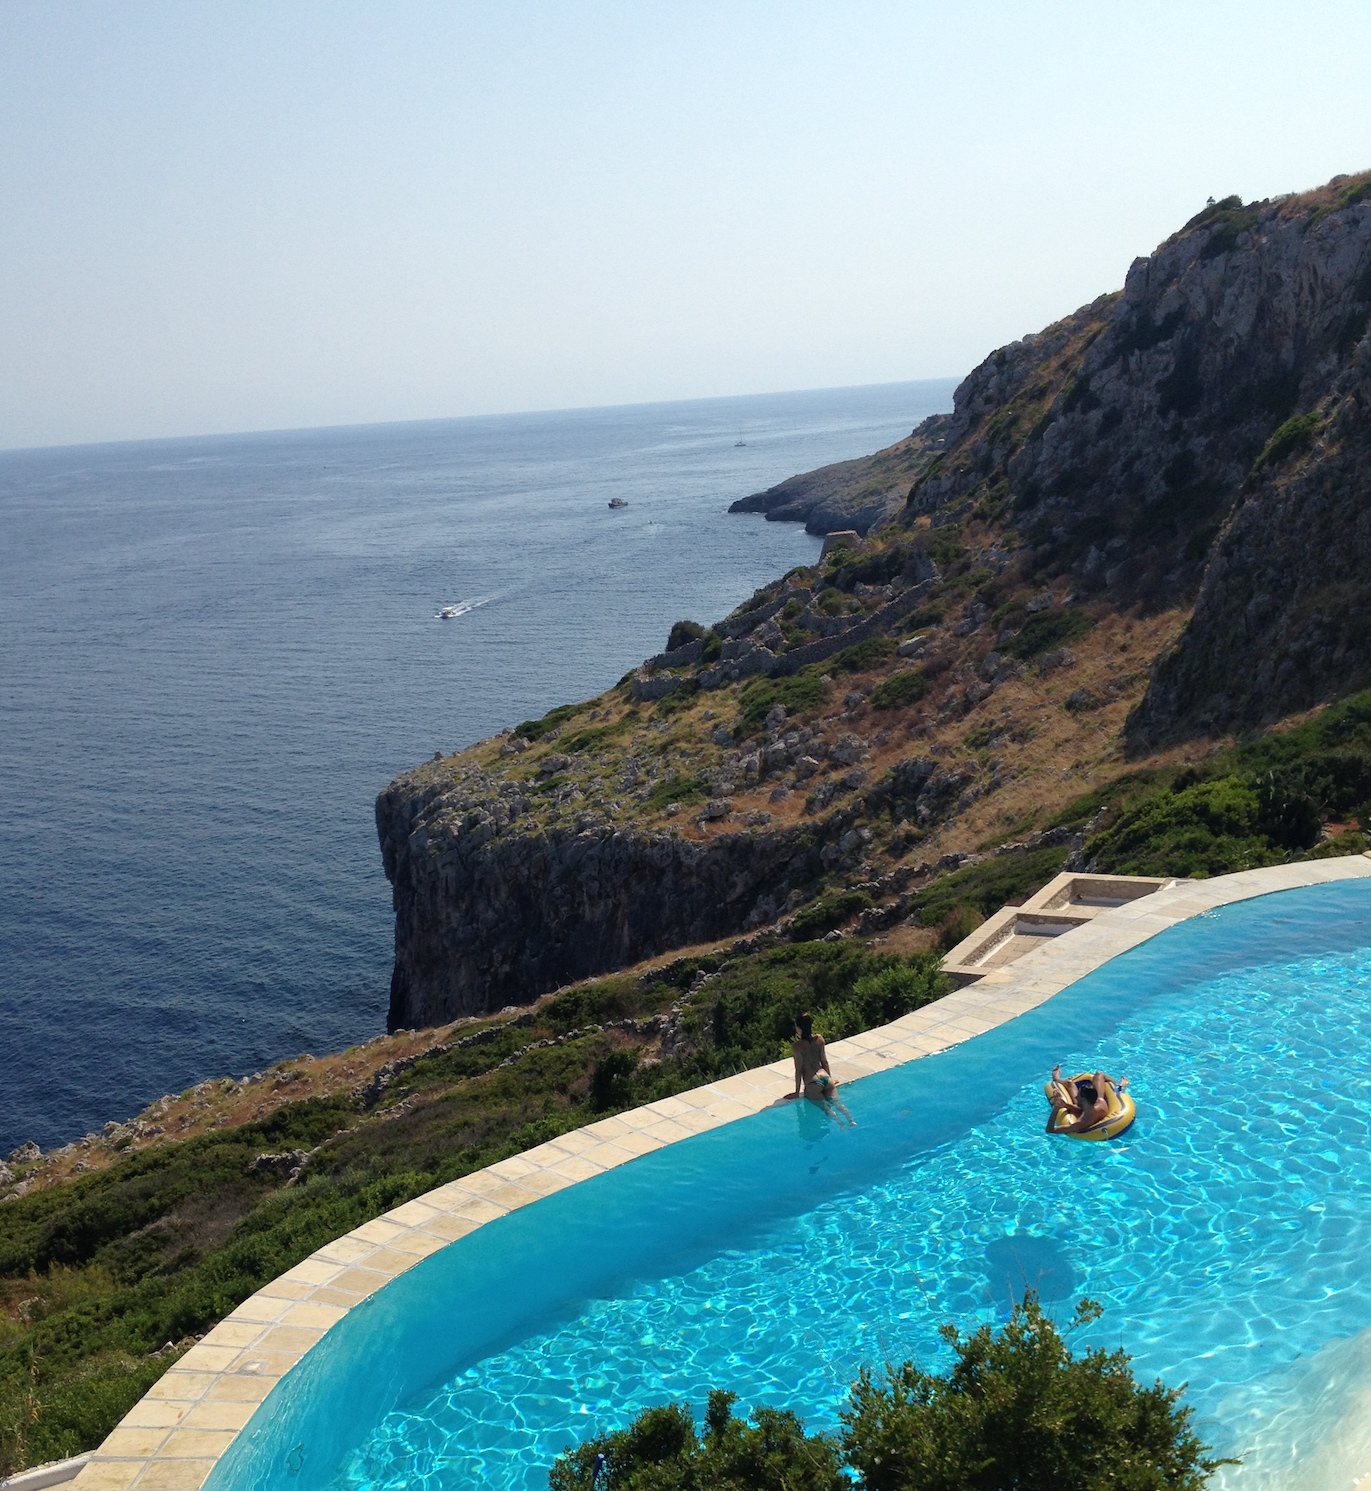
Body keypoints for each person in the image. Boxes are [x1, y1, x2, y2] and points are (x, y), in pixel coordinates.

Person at [786, 1012, 855, 1125]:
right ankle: (851, 1120)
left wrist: (797, 1092)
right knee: (838, 1103)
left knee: (825, 1108)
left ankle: (840, 1123)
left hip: (813, 1083)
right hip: (826, 1078)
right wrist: (831, 1079)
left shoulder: (797, 1046)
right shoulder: (819, 1039)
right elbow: (824, 1062)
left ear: (799, 1028)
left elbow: (799, 1070)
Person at [1045, 1063, 1129, 1135]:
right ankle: (1056, 1079)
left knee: (1070, 1084)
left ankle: (1056, 1079)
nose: (1076, 1096)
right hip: (1091, 1108)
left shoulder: (1081, 1123)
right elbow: (1085, 1110)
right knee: (1099, 1074)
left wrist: (1056, 1108)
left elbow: (1050, 1130)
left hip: (1088, 1115)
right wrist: (1120, 1086)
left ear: (1083, 1100)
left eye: (1078, 1095)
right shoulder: (1101, 1101)